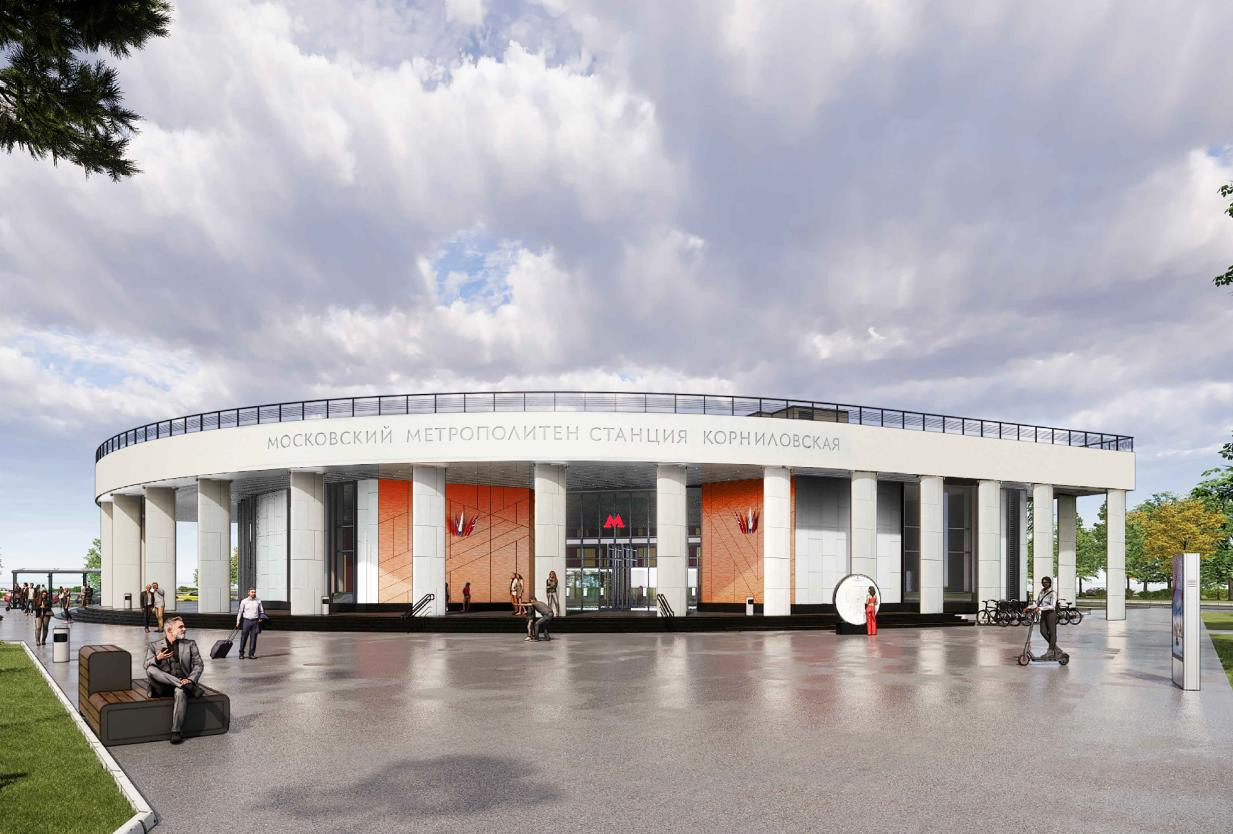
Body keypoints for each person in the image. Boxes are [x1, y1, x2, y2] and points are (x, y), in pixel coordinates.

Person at [144, 616, 204, 744]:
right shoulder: (154, 646)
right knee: (150, 669)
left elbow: (199, 665)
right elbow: (146, 664)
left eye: (184, 626)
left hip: (182, 685)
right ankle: (184, 685)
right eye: (181, 627)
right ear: (170, 630)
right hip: (161, 686)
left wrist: (190, 680)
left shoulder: (190, 644)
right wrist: (158, 658)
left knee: (180, 691)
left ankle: (176, 731)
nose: (184, 629)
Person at [235, 587, 267, 659]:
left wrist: (261, 618)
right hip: (246, 621)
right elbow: (240, 612)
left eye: (254, 592)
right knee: (244, 638)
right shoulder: (244, 601)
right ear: (248, 593)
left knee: (253, 638)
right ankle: (241, 654)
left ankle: (251, 654)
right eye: (252, 592)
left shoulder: (258, 601)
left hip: (255, 622)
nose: (254, 593)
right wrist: (238, 621)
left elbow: (262, 611)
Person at [1033, 576, 1059, 657]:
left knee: (1052, 632)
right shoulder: (1041, 592)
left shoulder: (1052, 593)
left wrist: (1040, 608)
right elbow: (1037, 603)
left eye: (1046, 582)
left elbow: (1053, 606)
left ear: (1049, 583)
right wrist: (1028, 608)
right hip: (1044, 613)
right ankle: (1055, 648)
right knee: (1043, 631)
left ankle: (1050, 650)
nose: (1044, 584)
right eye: (1043, 582)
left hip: (1051, 614)